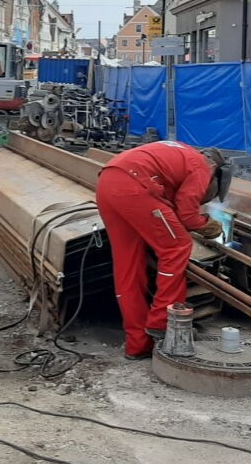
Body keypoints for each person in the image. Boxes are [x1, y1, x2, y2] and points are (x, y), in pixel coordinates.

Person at [95, 141, 230, 360]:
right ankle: (162, 323)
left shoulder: (180, 151)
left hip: (107, 183)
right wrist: (205, 224)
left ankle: (138, 345)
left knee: (128, 266)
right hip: (135, 186)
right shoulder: (202, 166)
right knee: (177, 246)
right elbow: (187, 215)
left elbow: (170, 196)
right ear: (216, 172)